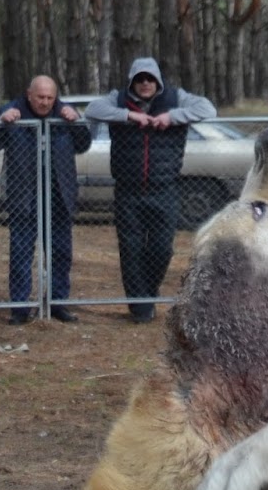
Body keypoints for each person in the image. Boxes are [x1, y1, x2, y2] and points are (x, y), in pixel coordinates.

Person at [86, 58, 216, 321]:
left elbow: (208, 109)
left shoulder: (176, 98)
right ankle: (140, 307)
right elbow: (92, 109)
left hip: (165, 189)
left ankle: (148, 293)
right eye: (139, 79)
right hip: (128, 191)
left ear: (158, 81)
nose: (145, 83)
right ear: (132, 82)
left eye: (150, 79)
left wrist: (172, 117)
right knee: (131, 249)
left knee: (162, 248)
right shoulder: (118, 99)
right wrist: (129, 115)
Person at [0, 74, 92, 324]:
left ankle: (58, 303)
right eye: (40, 97)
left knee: (61, 252)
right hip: (23, 196)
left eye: (50, 97)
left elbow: (83, 145)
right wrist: (1, 122)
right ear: (29, 94)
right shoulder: (12, 111)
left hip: (59, 195)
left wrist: (77, 122)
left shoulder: (65, 113)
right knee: (21, 253)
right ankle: (20, 307)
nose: (45, 102)